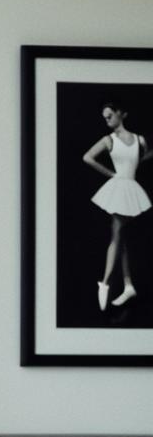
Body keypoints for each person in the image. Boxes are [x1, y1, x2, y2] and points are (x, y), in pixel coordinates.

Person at [82, 100, 152, 311]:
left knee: (119, 234)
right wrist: (111, 174)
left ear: (121, 113)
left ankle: (107, 282)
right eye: (104, 117)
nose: (107, 120)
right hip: (119, 187)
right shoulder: (108, 140)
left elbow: (146, 154)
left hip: (131, 187)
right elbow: (87, 157)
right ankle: (124, 284)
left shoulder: (140, 140)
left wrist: (135, 166)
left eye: (110, 116)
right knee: (119, 233)